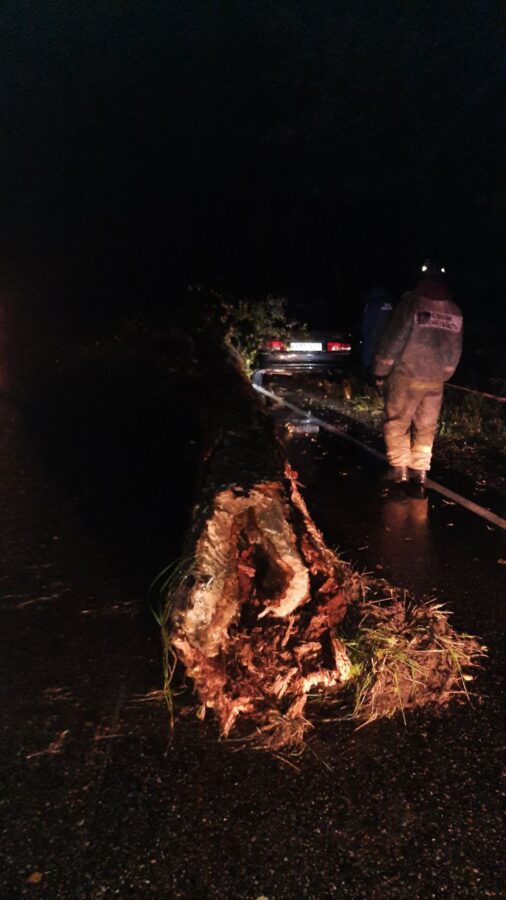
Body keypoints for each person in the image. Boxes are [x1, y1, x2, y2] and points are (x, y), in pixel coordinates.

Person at [373, 259, 463, 493]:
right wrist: (445, 374)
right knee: (426, 427)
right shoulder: (454, 311)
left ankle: (400, 471)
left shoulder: (410, 304)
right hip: (435, 380)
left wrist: (380, 372)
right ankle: (421, 474)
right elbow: (455, 350)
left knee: (397, 422)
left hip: (406, 375)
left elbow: (393, 340)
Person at [360, 287, 394, 376]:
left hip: (374, 335)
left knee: (369, 354)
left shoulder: (372, 304)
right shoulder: (390, 303)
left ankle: (369, 375)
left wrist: (364, 333)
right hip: (389, 336)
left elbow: (366, 323)